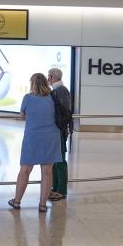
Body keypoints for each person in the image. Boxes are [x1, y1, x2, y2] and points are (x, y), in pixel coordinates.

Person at [8, 73, 61, 213]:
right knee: (47, 172)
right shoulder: (53, 98)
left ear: (32, 84)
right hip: (51, 137)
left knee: (25, 170)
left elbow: (22, 115)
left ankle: (17, 201)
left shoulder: (28, 98)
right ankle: (42, 205)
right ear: (45, 82)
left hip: (32, 137)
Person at [47, 68, 72, 202]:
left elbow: (64, 112)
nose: (47, 78)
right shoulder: (55, 91)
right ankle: (55, 188)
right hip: (56, 130)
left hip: (59, 131)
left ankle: (61, 190)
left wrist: (62, 128)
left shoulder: (61, 91)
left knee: (60, 160)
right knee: (55, 161)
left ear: (51, 77)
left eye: (48, 76)